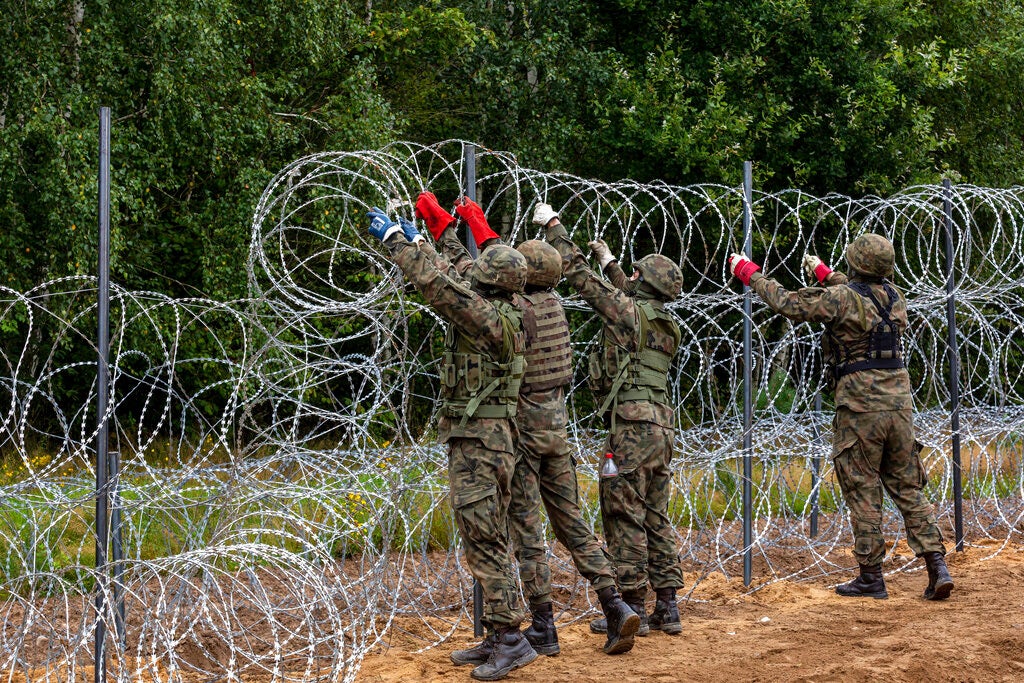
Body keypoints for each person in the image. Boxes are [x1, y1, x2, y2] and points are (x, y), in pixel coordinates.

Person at [414, 192, 641, 657]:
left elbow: (465, 280)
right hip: (556, 426)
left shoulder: (514, 312)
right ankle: (614, 603)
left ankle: (543, 624)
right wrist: (475, 229)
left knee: (526, 530)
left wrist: (445, 234)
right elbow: (496, 269)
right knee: (573, 523)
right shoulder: (553, 305)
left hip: (520, 430)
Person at [727, 233, 954, 601]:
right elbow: (856, 296)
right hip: (899, 405)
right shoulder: (896, 298)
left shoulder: (842, 297)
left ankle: (871, 577)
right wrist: (823, 272)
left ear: (856, 263)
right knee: (908, 487)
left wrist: (748, 273)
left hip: (860, 406)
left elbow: (789, 303)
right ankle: (937, 565)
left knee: (863, 489)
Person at [366, 205, 537, 681]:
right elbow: (454, 276)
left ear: (492, 281)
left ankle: (511, 639)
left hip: (483, 440)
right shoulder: (505, 309)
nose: (473, 274)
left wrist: (399, 243)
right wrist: (426, 242)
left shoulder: (489, 318)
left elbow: (442, 289)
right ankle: (497, 635)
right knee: (485, 535)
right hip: (482, 436)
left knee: (484, 537)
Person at [536, 202, 686, 637]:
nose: (631, 278)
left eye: (637, 274)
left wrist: (554, 227)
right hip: (661, 425)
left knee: (623, 512)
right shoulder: (663, 322)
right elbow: (630, 294)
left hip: (632, 428)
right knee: (655, 514)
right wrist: (615, 263)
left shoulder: (628, 314)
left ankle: (631, 604)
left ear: (645, 285)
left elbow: (581, 279)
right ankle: (668, 605)